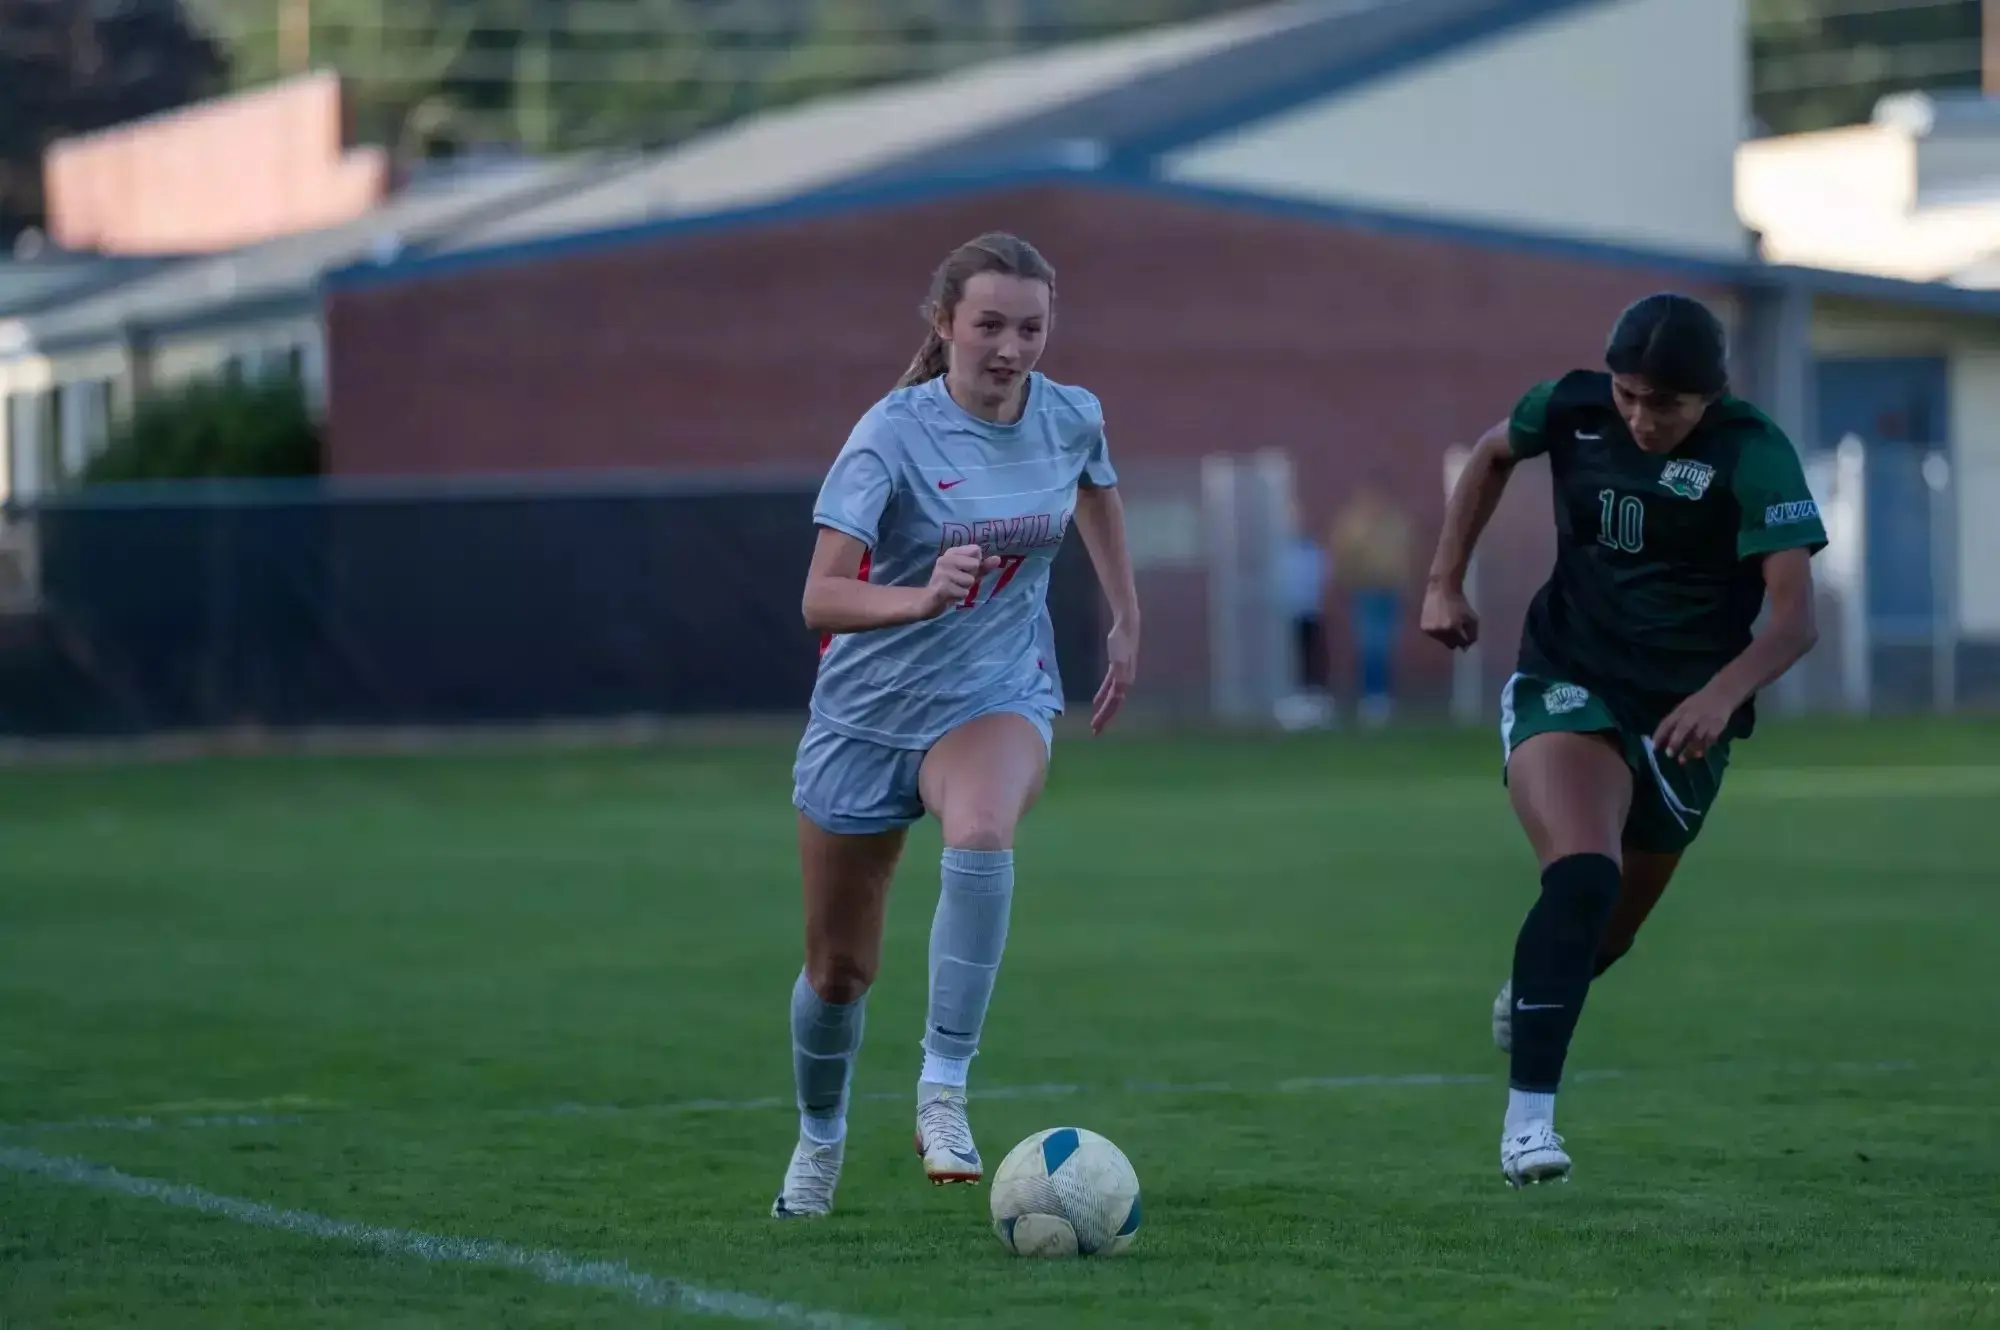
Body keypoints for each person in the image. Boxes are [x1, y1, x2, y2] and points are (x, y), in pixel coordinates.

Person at [772, 232, 1142, 1219]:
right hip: (864, 718)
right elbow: (818, 597)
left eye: (1031, 328)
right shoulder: (889, 435)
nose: (1011, 348)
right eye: (989, 325)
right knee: (837, 971)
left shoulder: (1070, 415)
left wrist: (1125, 615)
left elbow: (1097, 488)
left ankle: (942, 1090)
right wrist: (922, 596)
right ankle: (819, 1136)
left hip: (995, 692)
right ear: (944, 324)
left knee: (981, 830)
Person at [1420, 293, 1826, 1188]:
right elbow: (1491, 454)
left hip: (1685, 719)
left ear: (1709, 395)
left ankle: (1542, 982)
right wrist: (1445, 580)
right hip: (1569, 676)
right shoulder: (1570, 405)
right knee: (1582, 875)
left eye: (1664, 404)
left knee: (1608, 931)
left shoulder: (1752, 451)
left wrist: (1722, 695)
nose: (1640, 418)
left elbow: (1796, 617)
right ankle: (1528, 1126)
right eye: (1628, 395)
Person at [1329, 476, 1415, 726]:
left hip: (1390, 592)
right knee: (1370, 645)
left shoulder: (1395, 523)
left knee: (1386, 645)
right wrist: (1347, 582)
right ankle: (1371, 697)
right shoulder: (1354, 523)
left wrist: (1406, 586)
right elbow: (1342, 555)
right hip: (1365, 592)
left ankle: (1383, 696)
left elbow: (1405, 556)